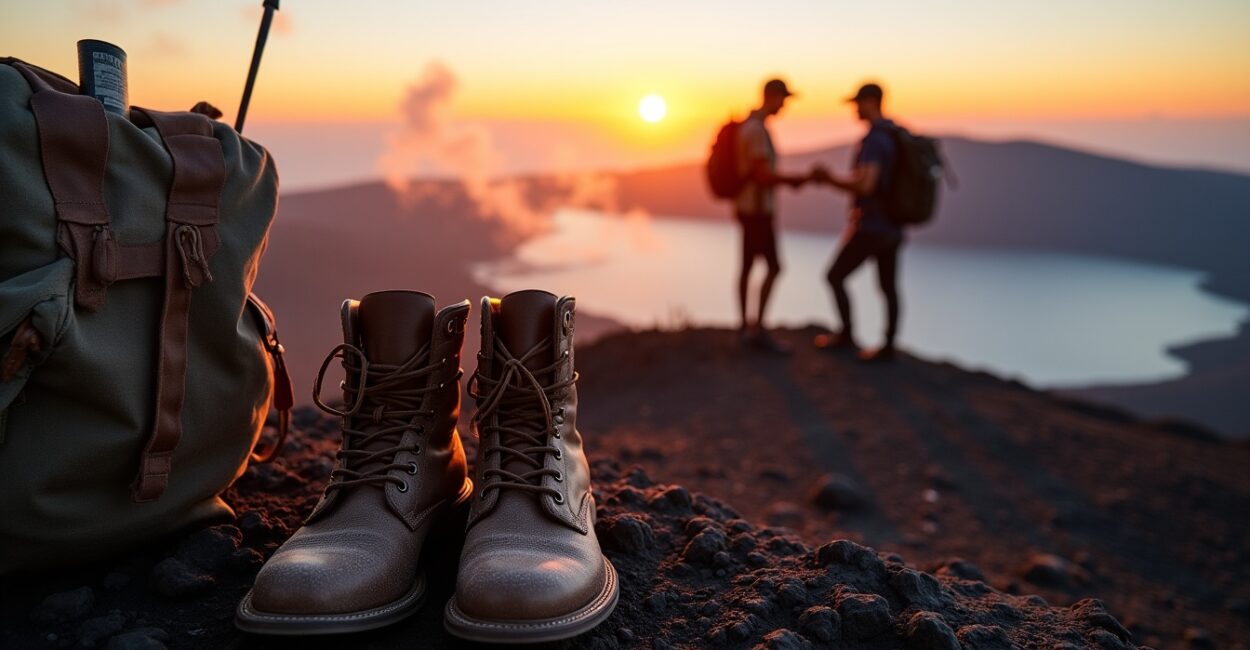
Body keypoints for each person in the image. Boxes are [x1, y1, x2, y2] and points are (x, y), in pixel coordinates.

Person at [811, 82, 904, 362]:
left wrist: (830, 181)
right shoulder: (894, 136)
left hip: (871, 226)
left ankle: (847, 334)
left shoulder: (875, 140)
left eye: (858, 102)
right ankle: (888, 346)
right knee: (888, 287)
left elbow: (866, 185)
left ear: (872, 102)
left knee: (835, 276)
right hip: (893, 225)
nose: (855, 108)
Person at [734, 78, 810, 352]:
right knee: (773, 266)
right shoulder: (756, 130)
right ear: (772, 96)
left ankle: (746, 327)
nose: (785, 105)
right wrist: (793, 181)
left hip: (748, 208)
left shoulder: (751, 126)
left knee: (747, 266)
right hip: (757, 210)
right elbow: (762, 175)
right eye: (783, 99)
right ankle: (756, 330)